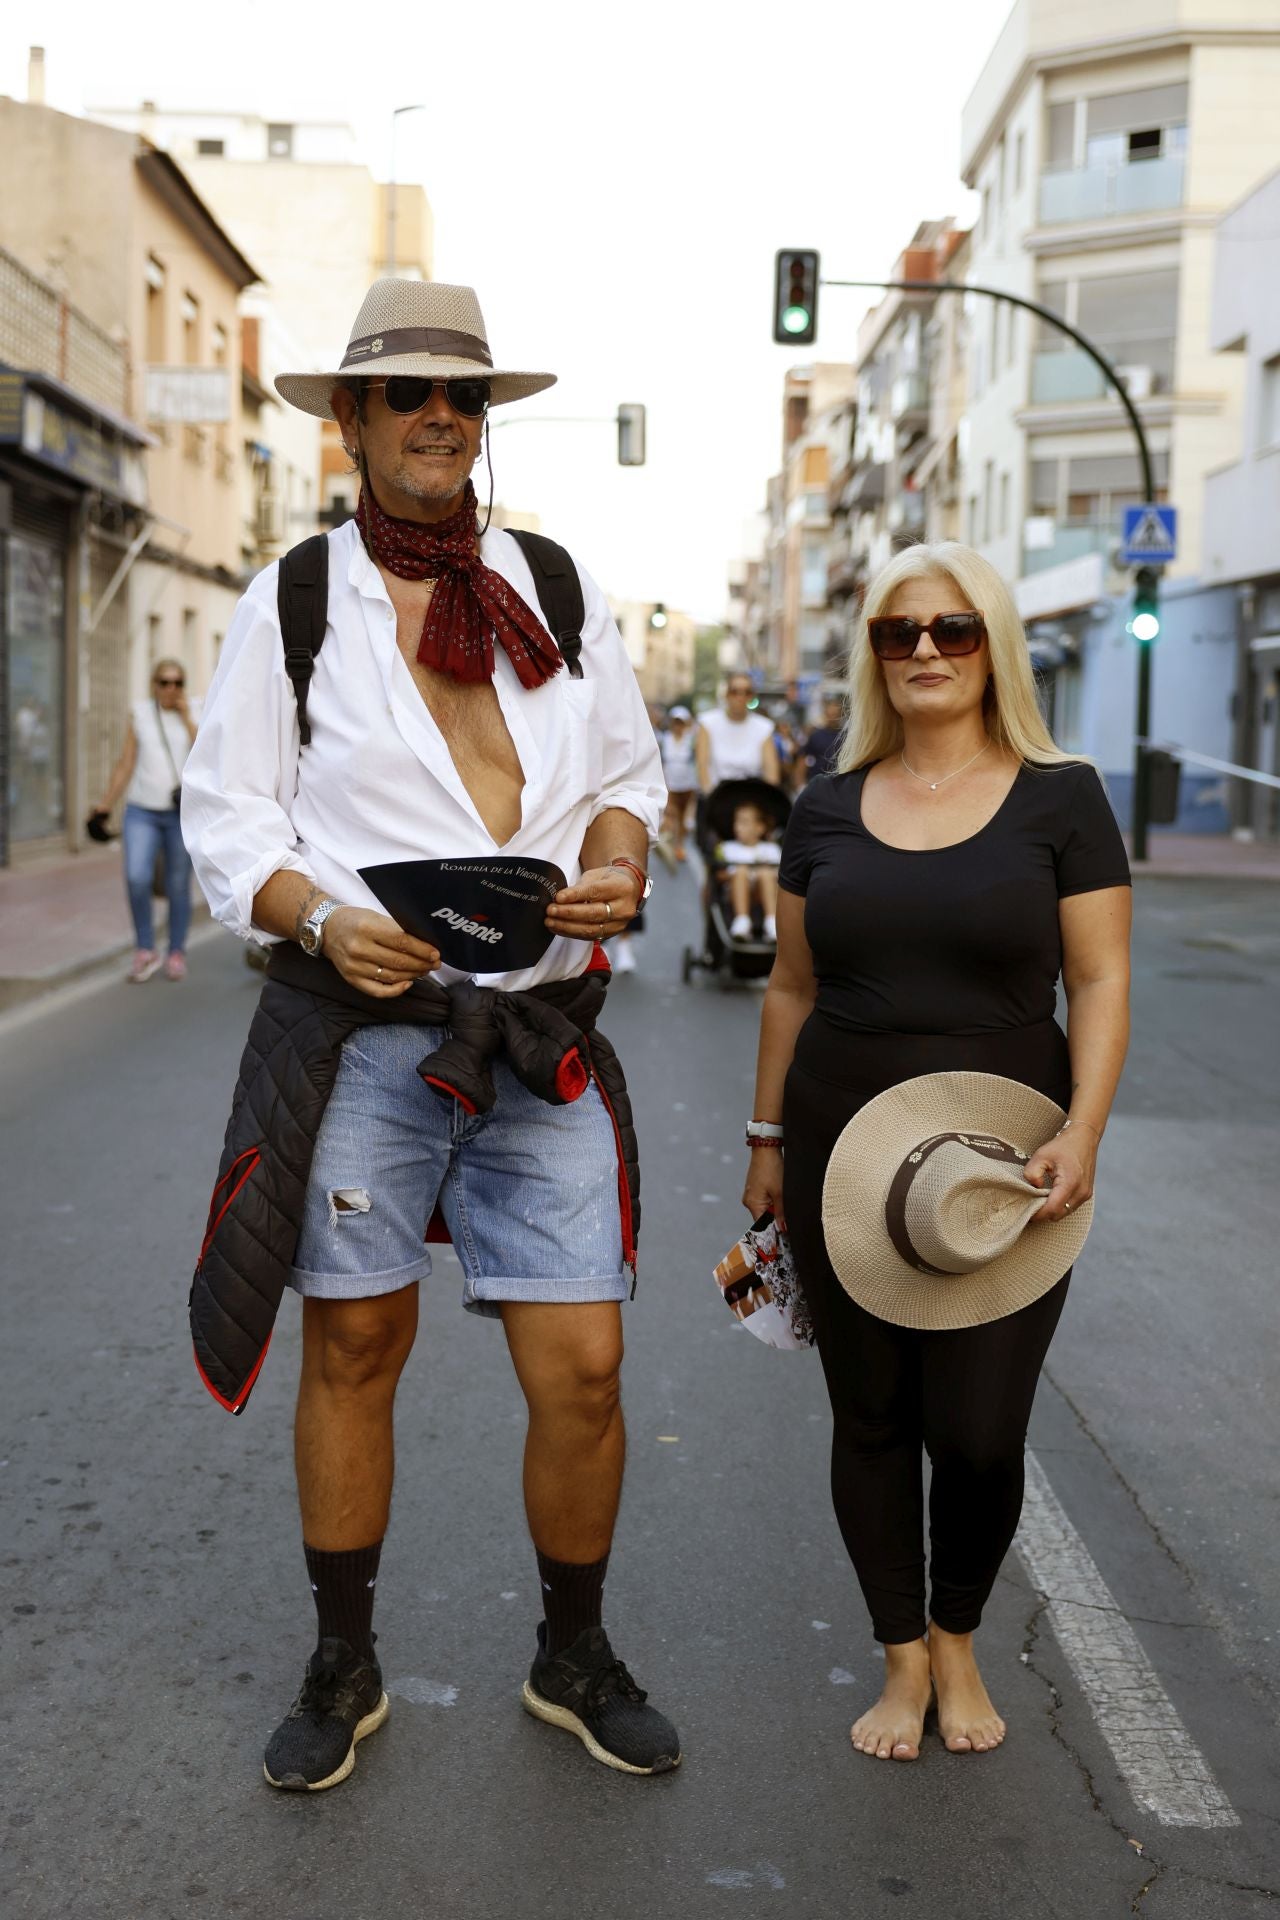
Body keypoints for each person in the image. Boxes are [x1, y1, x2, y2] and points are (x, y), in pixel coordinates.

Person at [182, 279, 679, 1791]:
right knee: (355, 1342)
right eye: (406, 395)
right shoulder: (299, 599)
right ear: (351, 422)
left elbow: (628, 774)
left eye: (462, 396)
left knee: (585, 1366)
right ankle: (345, 1662)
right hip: (368, 1030)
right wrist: (322, 916)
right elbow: (227, 815)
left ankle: (571, 1653)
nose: (440, 418)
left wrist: (618, 865)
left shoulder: (554, 586)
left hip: (537, 1033)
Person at [743, 542, 1131, 1763]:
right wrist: (762, 1144)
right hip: (837, 1142)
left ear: (992, 645)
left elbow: (1101, 975)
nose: (921, 652)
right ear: (871, 655)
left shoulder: (1058, 796)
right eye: (896, 633)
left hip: (1003, 1156)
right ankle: (902, 1655)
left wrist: (1083, 1129)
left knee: (976, 1429)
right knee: (869, 1417)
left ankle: (958, 1631)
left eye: (951, 630)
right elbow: (788, 988)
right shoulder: (819, 803)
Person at [95, 658, 198, 982]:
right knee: (137, 877)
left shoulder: (194, 711)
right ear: (154, 685)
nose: (171, 689)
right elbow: (126, 762)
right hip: (141, 810)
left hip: (180, 814)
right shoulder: (140, 714)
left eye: (177, 682)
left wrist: (185, 718)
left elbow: (207, 755)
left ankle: (176, 951)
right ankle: (144, 949)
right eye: (164, 682)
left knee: (178, 884)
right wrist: (105, 804)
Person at [695, 674, 780, 792]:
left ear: (751, 696)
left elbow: (771, 773)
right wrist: (712, 799)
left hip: (752, 799)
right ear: (726, 694)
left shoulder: (764, 727)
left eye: (747, 692)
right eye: (734, 692)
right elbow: (702, 767)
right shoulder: (708, 723)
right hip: (714, 798)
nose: (740, 697)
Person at [720, 800, 780, 941]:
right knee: (740, 871)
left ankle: (771, 921)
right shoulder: (727, 848)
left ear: (759, 828)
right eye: (737, 822)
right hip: (734, 894)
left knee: (766, 873)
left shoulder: (771, 850)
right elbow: (718, 875)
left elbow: (779, 877)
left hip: (762, 894)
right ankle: (742, 920)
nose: (738, 827)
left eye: (744, 823)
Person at [657, 705, 698, 863]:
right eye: (676, 722)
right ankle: (670, 842)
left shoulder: (691, 740)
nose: (678, 726)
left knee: (682, 817)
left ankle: (679, 845)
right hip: (670, 784)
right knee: (671, 814)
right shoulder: (664, 739)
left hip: (687, 784)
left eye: (681, 722)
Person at [799, 693, 846, 785]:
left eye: (835, 714)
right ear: (825, 713)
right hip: (817, 782)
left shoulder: (847, 737)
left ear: (841, 714)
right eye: (830, 713)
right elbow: (803, 759)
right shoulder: (815, 735)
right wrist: (800, 785)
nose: (832, 717)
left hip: (840, 783)